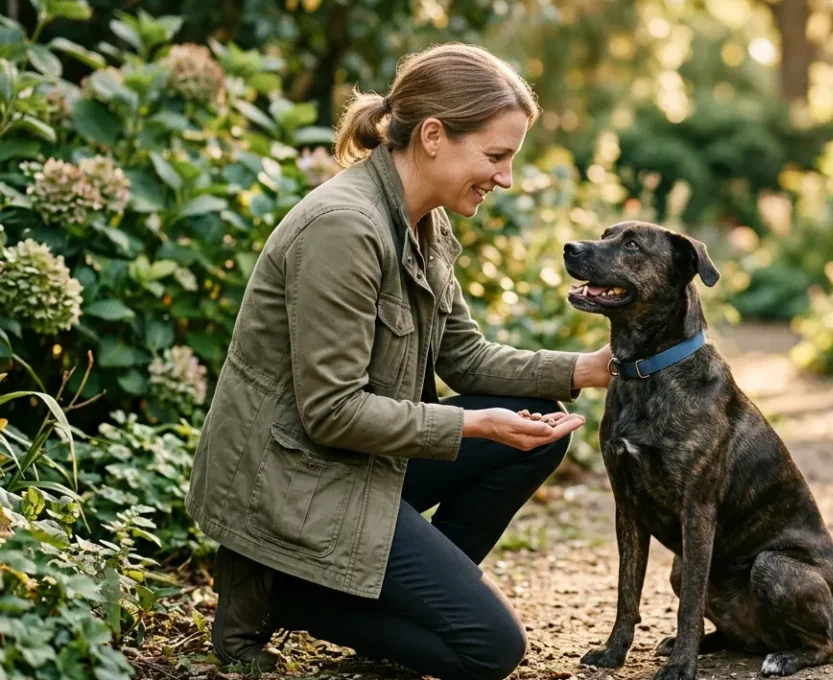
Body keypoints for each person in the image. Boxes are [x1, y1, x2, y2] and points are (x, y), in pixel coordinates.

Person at [184, 42, 614, 680]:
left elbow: (464, 358)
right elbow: (332, 413)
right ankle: (285, 591)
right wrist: (473, 425)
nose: (506, 178)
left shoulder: (424, 221)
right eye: (495, 156)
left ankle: (386, 606)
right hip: (294, 481)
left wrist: (585, 368)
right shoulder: (344, 228)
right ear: (435, 136)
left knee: (536, 427)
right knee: (490, 649)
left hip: (354, 465)